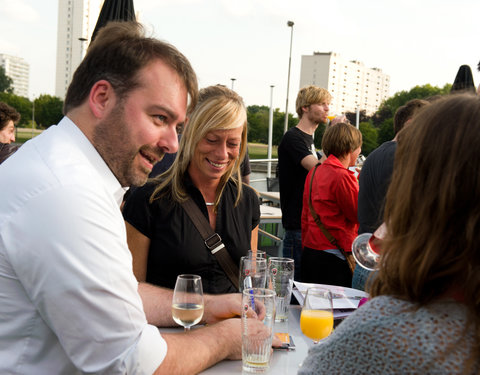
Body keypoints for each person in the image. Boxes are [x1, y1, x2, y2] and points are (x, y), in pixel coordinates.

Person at [0, 22, 268, 374]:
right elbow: (130, 362)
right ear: (101, 98)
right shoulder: (66, 194)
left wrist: (209, 305)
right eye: (160, 118)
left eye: (178, 127)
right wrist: (226, 338)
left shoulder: (63, 170)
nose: (173, 144)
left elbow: (120, 296)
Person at [298, 94, 480, 374]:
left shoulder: (319, 171)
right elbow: (352, 211)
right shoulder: (343, 176)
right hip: (337, 253)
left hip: (322, 251)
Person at [123, 85, 260, 294]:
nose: (222, 154)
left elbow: (250, 283)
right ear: (189, 133)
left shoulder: (247, 200)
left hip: (233, 326)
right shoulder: (147, 200)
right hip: (171, 326)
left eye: (233, 143)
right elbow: (132, 293)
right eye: (211, 140)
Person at [353, 98, 428, 290]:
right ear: (410, 125)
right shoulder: (404, 156)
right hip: (387, 264)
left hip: (366, 260)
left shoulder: (374, 155)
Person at [277, 85, 333, 279]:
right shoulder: (293, 138)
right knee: (293, 288)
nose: (327, 108)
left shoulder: (309, 140)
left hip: (306, 226)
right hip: (296, 227)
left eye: (328, 104)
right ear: (305, 108)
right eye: (322, 104)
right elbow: (318, 169)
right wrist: (334, 140)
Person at [301, 122, 362, 287]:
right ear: (351, 149)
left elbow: (306, 215)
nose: (360, 152)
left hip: (311, 250)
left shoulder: (314, 172)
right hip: (335, 255)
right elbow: (357, 214)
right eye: (359, 148)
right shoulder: (343, 176)